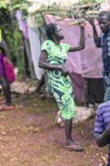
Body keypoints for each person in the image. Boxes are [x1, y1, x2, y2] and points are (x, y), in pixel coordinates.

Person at [38, 21, 88, 151]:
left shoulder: (63, 47)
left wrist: (82, 28)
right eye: (59, 31)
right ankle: (68, 140)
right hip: (56, 81)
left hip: (65, 81)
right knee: (68, 107)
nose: (61, 32)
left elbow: (81, 46)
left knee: (69, 108)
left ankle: (69, 139)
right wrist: (59, 67)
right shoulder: (47, 44)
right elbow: (41, 63)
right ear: (52, 34)